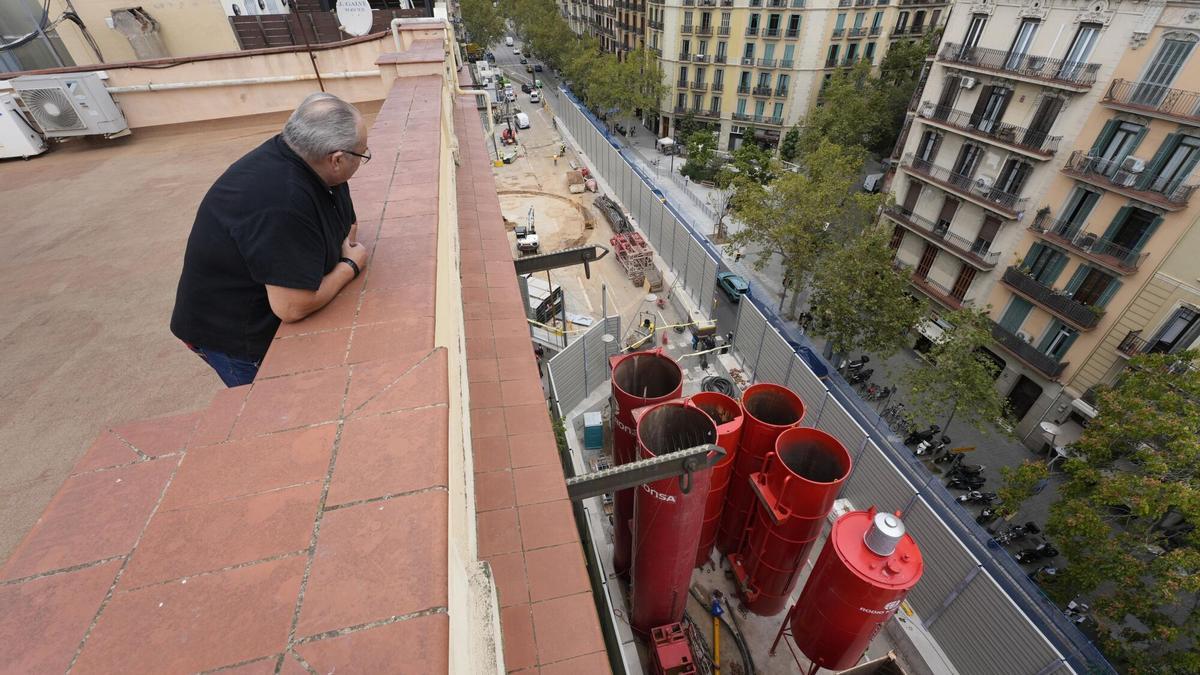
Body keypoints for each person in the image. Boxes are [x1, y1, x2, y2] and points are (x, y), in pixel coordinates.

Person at [170, 92, 370, 387]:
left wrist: (337, 250)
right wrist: (349, 266)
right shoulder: (280, 199)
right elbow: (292, 307)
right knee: (276, 406)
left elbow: (347, 225)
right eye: (362, 154)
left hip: (266, 296)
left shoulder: (317, 167)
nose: (363, 159)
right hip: (236, 332)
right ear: (337, 159)